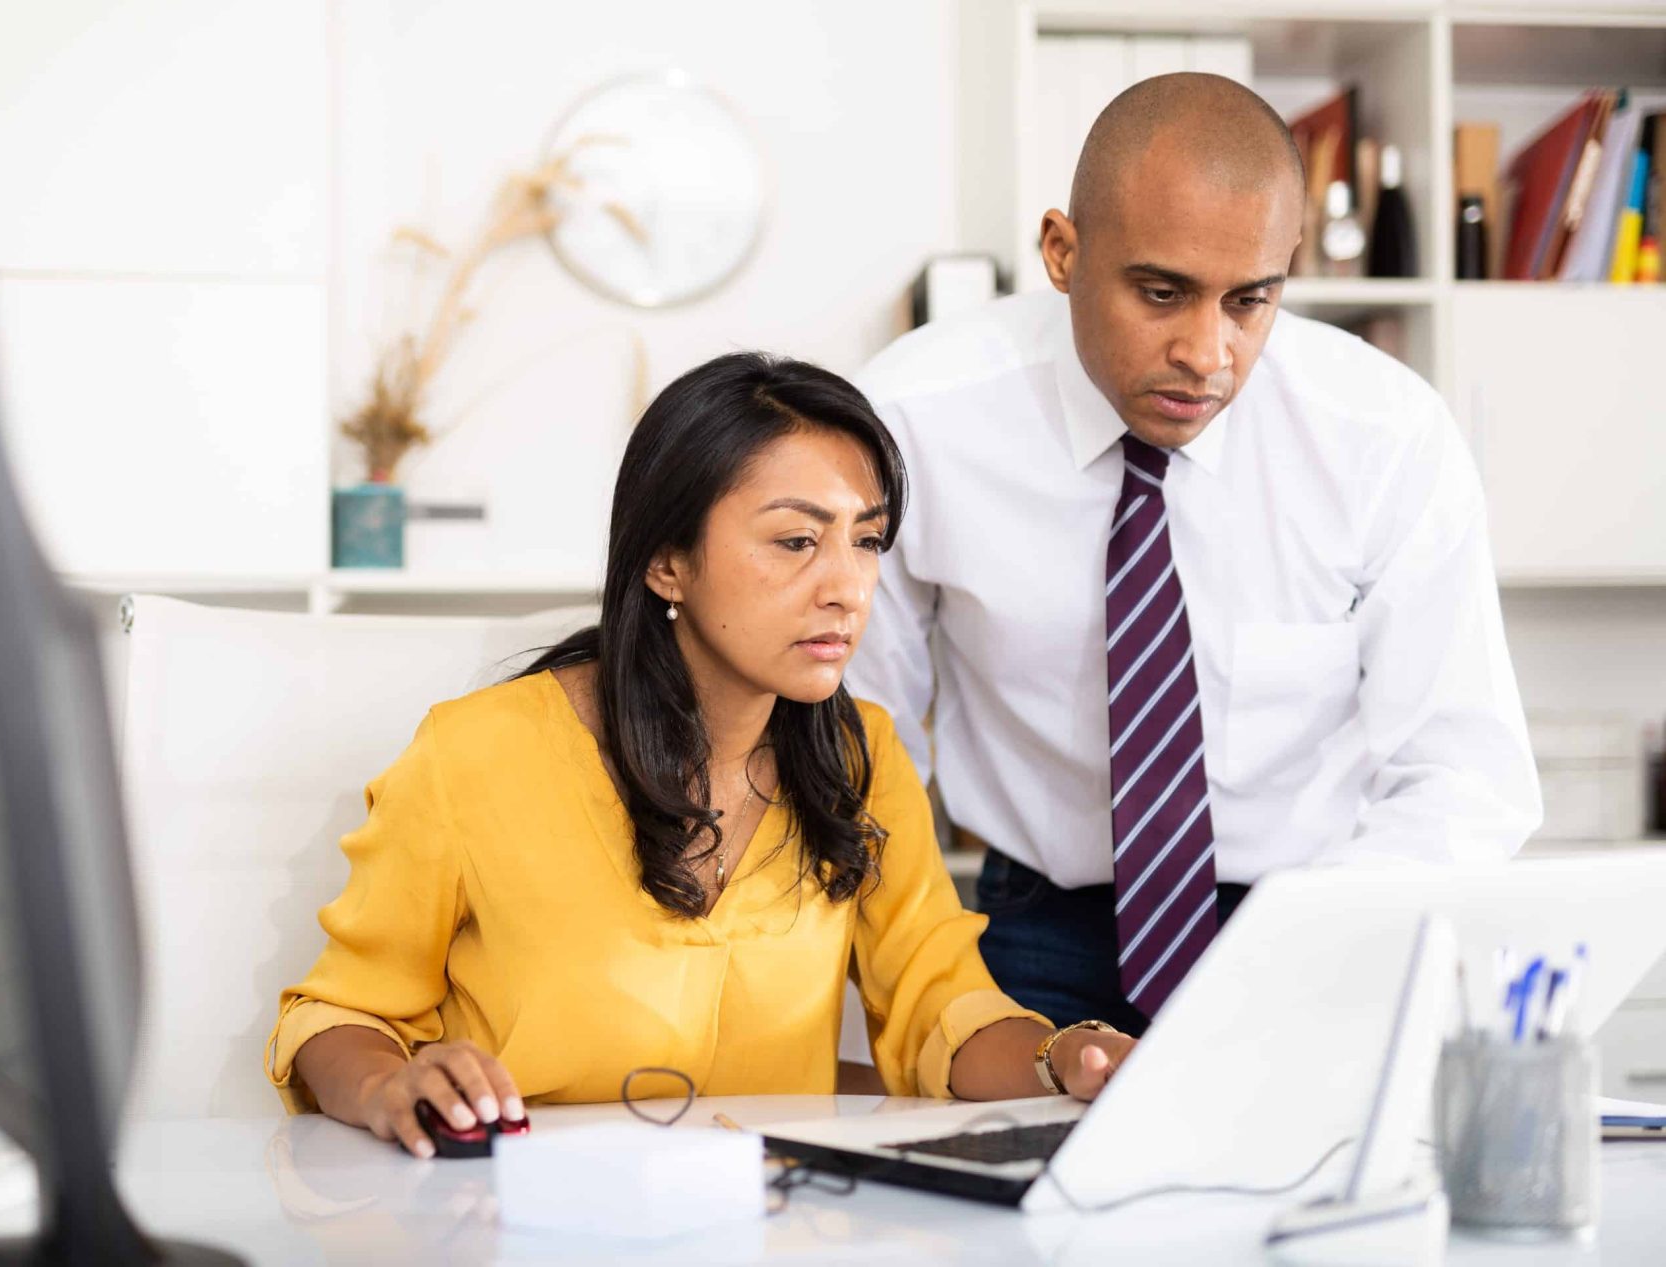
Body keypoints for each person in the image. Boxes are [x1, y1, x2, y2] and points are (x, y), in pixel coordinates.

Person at [266, 352, 1135, 1159]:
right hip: (517, 1215)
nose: (849, 586)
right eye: (797, 540)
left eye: (865, 540)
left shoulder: (861, 754)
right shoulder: (476, 750)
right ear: (667, 562)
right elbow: (339, 1012)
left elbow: (942, 1009)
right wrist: (390, 1082)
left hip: (770, 1220)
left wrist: (1067, 1056)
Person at [848, 73, 1541, 1037]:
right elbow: (859, 735)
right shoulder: (914, 420)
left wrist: (1312, 942)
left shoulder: (1385, 436)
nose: (1207, 352)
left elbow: (1465, 772)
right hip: (1031, 932)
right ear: (1062, 251)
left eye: (1249, 300)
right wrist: (916, 962)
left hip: (1310, 917)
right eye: (1161, 292)